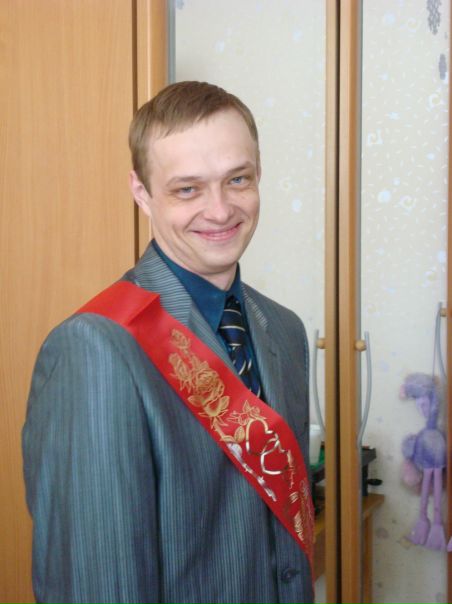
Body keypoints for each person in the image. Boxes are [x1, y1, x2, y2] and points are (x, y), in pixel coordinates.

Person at [22, 81, 313, 604]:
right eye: (187, 189)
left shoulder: (284, 329)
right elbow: (97, 584)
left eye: (238, 179)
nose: (220, 210)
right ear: (142, 193)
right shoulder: (97, 348)